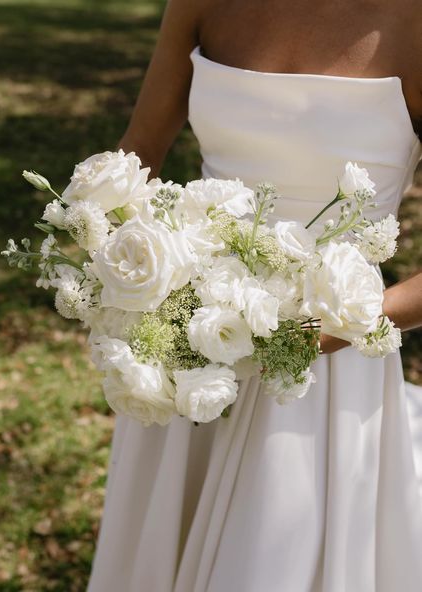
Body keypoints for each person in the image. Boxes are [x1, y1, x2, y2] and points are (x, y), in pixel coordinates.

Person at [88, 1, 422, 590]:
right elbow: (137, 156)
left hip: (326, 366)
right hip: (188, 342)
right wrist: (105, 249)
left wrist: (337, 326)